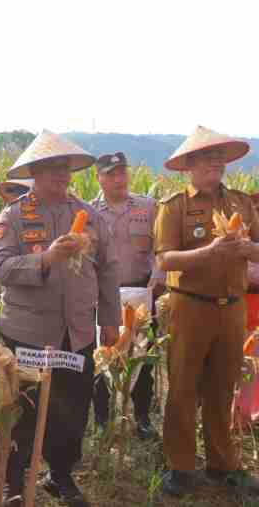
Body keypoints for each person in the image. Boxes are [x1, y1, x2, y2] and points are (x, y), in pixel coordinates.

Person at [0, 130, 121, 507]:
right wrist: (45, 259)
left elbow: (109, 270)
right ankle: (12, 481)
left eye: (64, 169)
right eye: (50, 169)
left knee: (72, 408)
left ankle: (60, 474)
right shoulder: (13, 216)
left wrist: (110, 320)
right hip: (28, 334)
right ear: (34, 173)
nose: (59, 176)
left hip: (76, 332)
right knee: (23, 410)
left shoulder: (90, 216)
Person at [155, 126, 259, 497]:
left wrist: (249, 250)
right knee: (183, 387)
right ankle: (181, 466)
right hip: (190, 306)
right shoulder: (174, 207)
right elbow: (165, 259)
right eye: (207, 156)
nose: (216, 162)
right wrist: (208, 253)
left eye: (221, 156)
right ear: (189, 165)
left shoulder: (242, 203)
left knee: (222, 387)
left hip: (231, 309)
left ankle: (222, 465)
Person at [90, 152, 165, 440]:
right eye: (111, 173)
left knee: (142, 355)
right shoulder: (89, 211)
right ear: (99, 177)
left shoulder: (148, 207)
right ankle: (101, 417)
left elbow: (162, 247)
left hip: (142, 292)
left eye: (122, 172)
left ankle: (142, 417)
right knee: (103, 355)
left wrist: (158, 275)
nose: (119, 178)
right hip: (104, 295)